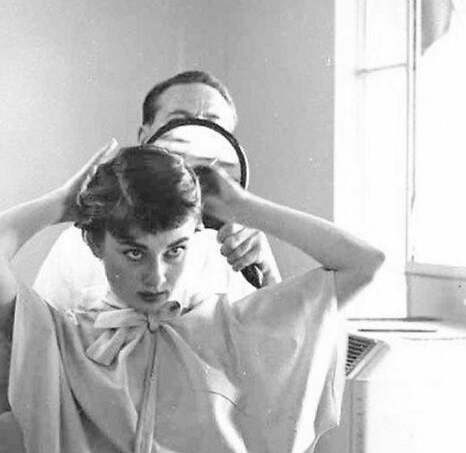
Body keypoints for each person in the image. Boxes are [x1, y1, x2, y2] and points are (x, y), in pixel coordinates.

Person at [0, 143, 384, 453]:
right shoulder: (60, 339)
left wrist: (242, 207)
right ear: (94, 243)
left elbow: (365, 262)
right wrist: (62, 203)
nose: (157, 277)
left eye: (175, 250)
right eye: (134, 253)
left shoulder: (232, 326)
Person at [33, 70, 281, 307]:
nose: (197, 139)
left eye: (213, 126)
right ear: (145, 137)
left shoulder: (235, 252)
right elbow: (37, 331)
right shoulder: (77, 246)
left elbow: (277, 333)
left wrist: (268, 273)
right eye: (179, 122)